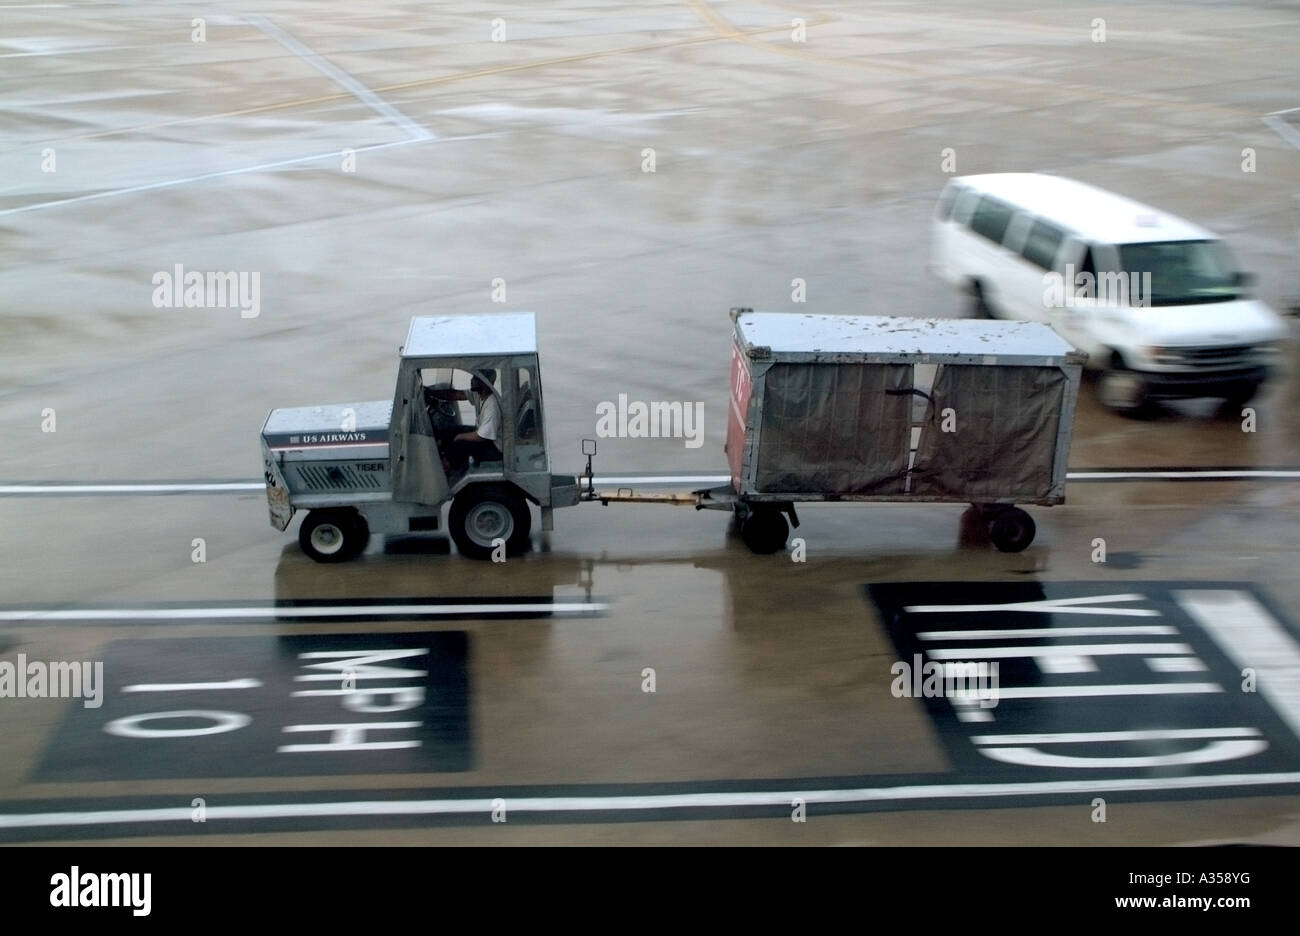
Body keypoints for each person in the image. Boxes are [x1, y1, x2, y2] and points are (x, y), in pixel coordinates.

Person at [428, 370, 502, 473]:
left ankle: (442, 471)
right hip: (485, 436)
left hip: (495, 449)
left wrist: (459, 437)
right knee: (451, 431)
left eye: (475, 378)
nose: (471, 380)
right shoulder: (478, 394)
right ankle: (440, 459)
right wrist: (431, 393)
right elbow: (456, 394)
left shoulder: (492, 406)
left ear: (484, 382)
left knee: (460, 444)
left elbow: (482, 436)